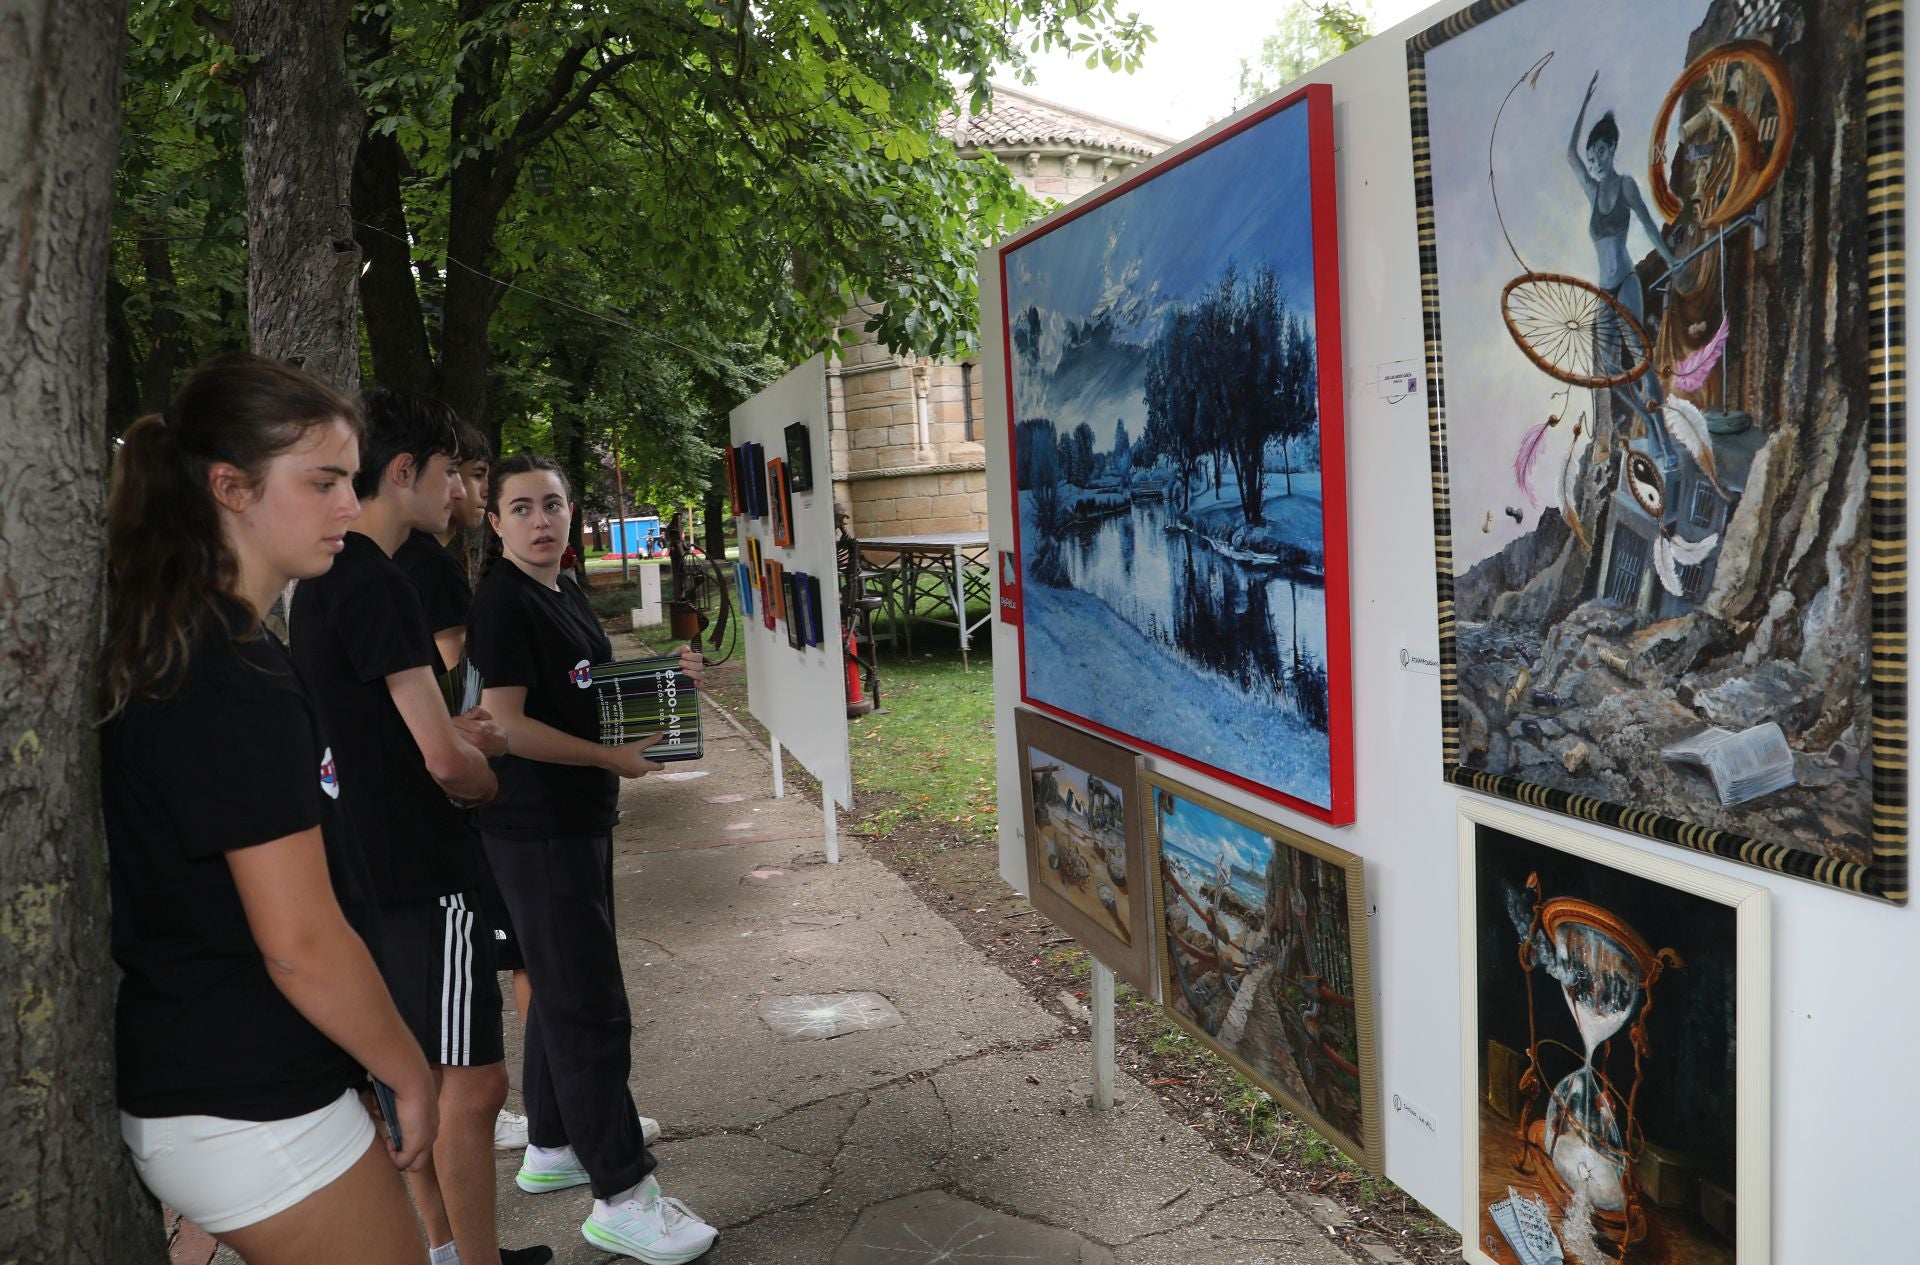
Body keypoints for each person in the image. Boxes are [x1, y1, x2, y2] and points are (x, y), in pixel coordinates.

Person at [101, 355, 436, 1264]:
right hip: (245, 1102)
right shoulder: (225, 673)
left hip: (232, 1083)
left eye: (351, 479)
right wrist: (409, 1071)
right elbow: (301, 942)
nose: (347, 505)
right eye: (323, 481)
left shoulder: (206, 642)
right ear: (230, 487)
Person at [290, 389, 546, 1265]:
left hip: (363, 867)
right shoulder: (380, 580)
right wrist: (481, 772)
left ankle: (444, 1246)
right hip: (423, 874)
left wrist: (448, 740)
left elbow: (381, 733)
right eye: (448, 474)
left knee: (422, 1086)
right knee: (471, 1088)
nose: (458, 494)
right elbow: (443, 762)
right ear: (405, 472)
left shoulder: (321, 579)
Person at [468, 454, 716, 1263]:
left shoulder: (560, 586)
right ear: (495, 521)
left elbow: (594, 686)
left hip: (576, 821)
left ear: (572, 512)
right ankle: (622, 1194)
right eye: (520, 508)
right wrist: (609, 761)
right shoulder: (502, 602)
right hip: (537, 828)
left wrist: (669, 682)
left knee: (563, 988)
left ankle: (553, 1142)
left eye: (552, 505)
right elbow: (503, 724)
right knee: (588, 1008)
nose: (540, 521)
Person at [393, 418, 533, 1154]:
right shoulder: (416, 569)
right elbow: (449, 662)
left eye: (474, 475)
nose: (465, 491)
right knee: (468, 1071)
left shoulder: (397, 567)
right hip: (443, 807)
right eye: (464, 473)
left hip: (433, 797)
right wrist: (467, 756)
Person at [1569, 75, 1681, 465]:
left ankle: (1661, 438)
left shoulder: (1627, 186)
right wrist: (1584, 104)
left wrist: (1672, 260)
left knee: (1641, 362)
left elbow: (1650, 227)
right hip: (1603, 293)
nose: (1594, 160)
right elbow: (1569, 154)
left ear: (1611, 148)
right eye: (1591, 155)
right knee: (1613, 374)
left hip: (1626, 285)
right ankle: (1649, 427)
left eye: (1599, 152)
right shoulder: (1593, 190)